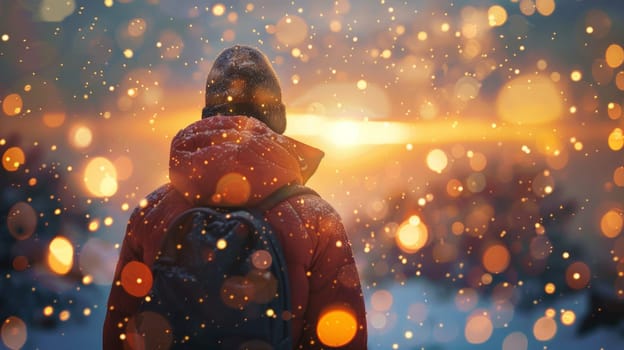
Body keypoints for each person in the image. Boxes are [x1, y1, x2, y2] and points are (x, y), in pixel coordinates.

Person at [103, 45, 367, 349]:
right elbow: (340, 336)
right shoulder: (317, 219)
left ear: (206, 117)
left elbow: (121, 331)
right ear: (278, 119)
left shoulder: (152, 212)